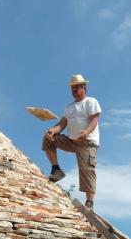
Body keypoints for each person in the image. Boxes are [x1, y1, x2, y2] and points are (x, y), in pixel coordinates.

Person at [42, 74, 101, 209]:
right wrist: (53, 130)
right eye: (72, 89)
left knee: (87, 169)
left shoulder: (91, 102)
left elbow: (94, 119)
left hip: (87, 142)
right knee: (48, 138)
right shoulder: (69, 107)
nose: (74, 91)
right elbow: (62, 123)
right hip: (72, 140)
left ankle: (90, 202)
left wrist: (86, 132)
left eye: (76, 88)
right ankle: (56, 169)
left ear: (84, 88)